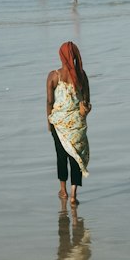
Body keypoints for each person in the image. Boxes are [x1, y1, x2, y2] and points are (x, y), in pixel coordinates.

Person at [46, 41, 90, 205]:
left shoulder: (54, 76)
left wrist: (48, 121)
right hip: (77, 124)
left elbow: (50, 101)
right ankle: (73, 195)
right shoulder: (82, 75)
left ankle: (62, 190)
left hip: (59, 123)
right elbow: (86, 101)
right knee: (76, 157)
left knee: (61, 156)